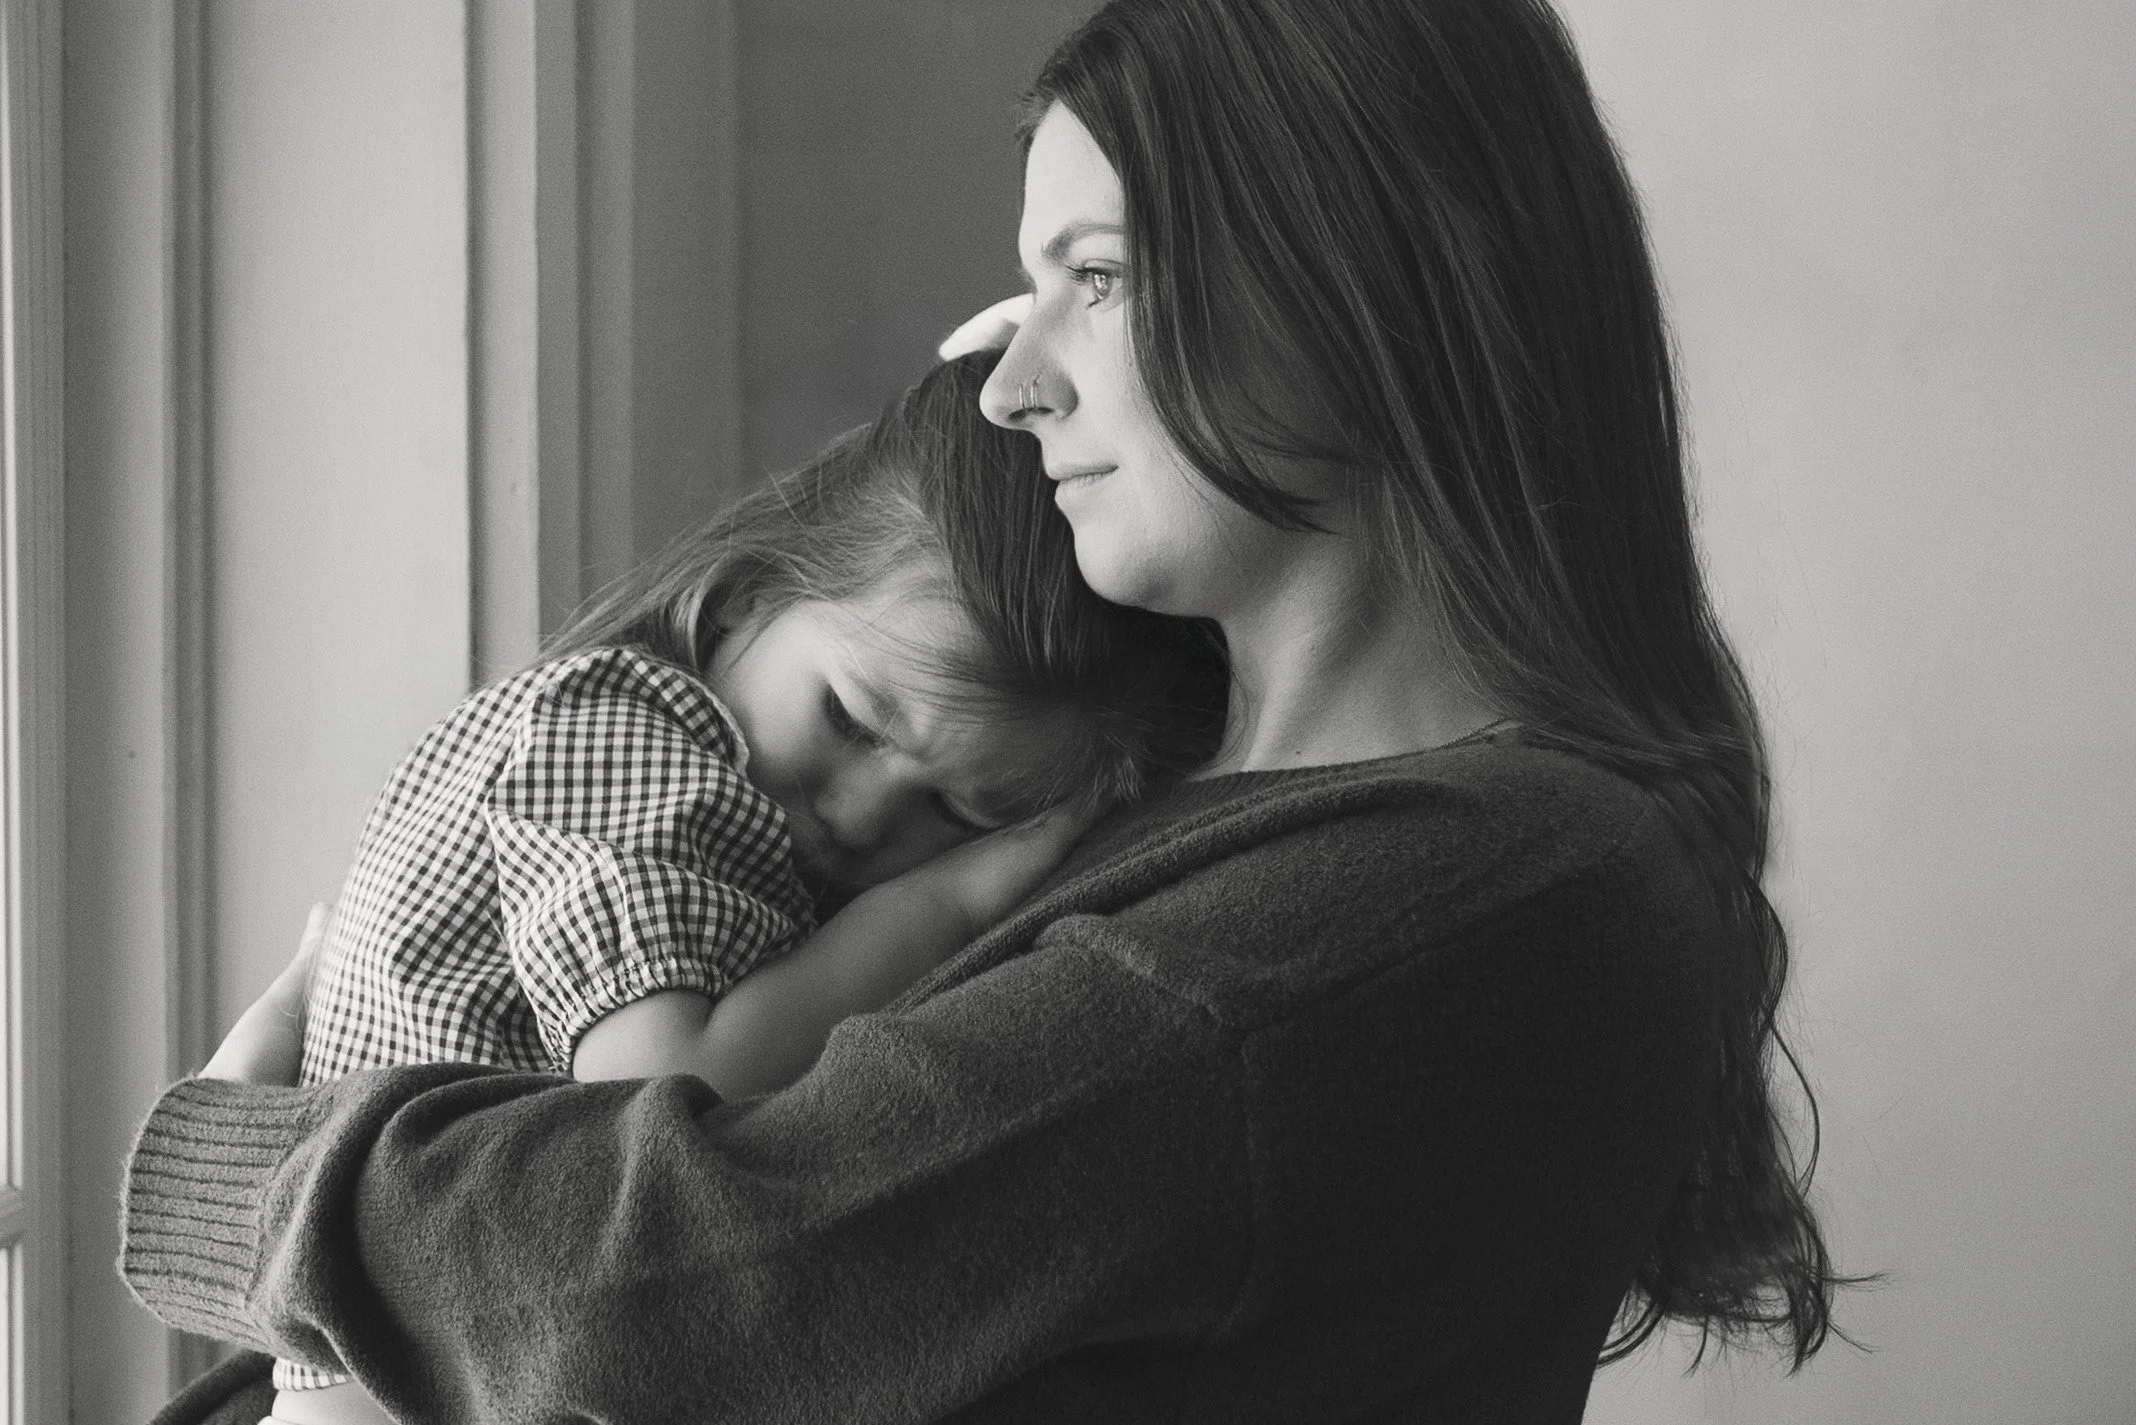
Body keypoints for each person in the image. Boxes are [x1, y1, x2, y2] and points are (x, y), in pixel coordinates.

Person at [122, 2, 1852, 1421]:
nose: (1020, 383)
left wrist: (227, 1155)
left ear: (1366, 278)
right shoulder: (1192, 807)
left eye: (1094, 279)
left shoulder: (1417, 900)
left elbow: (669, 1285)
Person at [255, 351, 1223, 1425]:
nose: (860, 817)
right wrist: (950, 895)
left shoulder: (699, 794)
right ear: (753, 592)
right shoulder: (612, 740)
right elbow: (666, 1088)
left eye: (961, 812)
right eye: (850, 720)